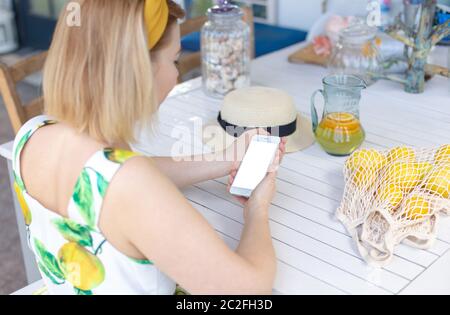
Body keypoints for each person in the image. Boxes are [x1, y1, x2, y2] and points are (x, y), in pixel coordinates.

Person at [12, 0, 286, 295]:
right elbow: (249, 291)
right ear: (138, 71)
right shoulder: (131, 184)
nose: (176, 75)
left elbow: (109, 175)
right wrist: (257, 208)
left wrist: (223, 160)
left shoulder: (33, 133)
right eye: (175, 61)